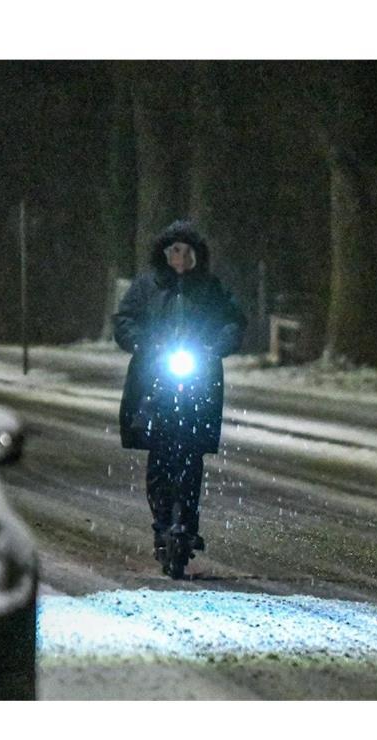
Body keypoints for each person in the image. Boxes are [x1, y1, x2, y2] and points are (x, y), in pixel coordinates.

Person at [114, 220, 246, 560]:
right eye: (175, 250)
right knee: (160, 454)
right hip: (153, 378)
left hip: (198, 379)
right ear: (164, 252)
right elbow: (125, 319)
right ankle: (161, 524)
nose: (181, 257)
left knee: (191, 454)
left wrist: (216, 346)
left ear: (196, 255)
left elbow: (233, 320)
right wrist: (143, 343)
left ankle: (188, 523)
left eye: (188, 251)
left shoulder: (209, 288)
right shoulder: (147, 286)